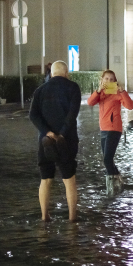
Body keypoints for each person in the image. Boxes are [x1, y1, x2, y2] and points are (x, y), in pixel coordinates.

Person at [29, 60, 82, 222]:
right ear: (66, 73)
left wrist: (48, 133)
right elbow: (72, 115)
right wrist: (61, 134)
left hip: (45, 141)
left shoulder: (40, 91)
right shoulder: (73, 88)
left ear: (51, 73)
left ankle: (45, 216)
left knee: (45, 179)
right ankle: (72, 218)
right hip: (67, 140)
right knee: (69, 179)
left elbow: (33, 115)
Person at [87, 70, 133, 194]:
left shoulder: (118, 94)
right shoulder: (100, 94)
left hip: (114, 129)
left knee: (107, 159)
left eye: (111, 79)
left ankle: (113, 186)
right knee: (108, 159)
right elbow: (90, 102)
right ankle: (116, 184)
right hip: (103, 129)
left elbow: (130, 106)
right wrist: (98, 90)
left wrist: (122, 91)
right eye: (106, 79)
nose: (108, 81)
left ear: (115, 81)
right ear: (102, 80)